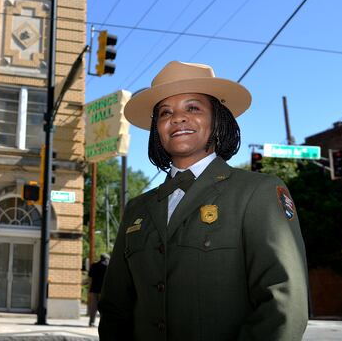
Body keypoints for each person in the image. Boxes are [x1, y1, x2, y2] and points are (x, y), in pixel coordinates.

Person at [98, 61, 308, 340]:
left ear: (217, 120)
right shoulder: (137, 209)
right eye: (165, 112)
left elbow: (284, 302)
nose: (178, 118)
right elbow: (115, 308)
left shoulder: (258, 192)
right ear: (157, 129)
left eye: (193, 108)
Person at [87, 253, 109, 327]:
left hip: (94, 290)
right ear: (106, 259)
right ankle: (104, 324)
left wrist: (89, 289)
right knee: (104, 308)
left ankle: (91, 322)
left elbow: (90, 278)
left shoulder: (94, 265)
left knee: (93, 307)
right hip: (104, 290)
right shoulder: (107, 266)